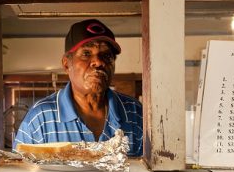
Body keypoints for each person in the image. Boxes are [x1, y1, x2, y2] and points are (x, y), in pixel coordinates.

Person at [13, 19, 143, 156]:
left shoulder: (135, 112)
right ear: (66, 64)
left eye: (106, 55)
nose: (98, 62)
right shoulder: (41, 117)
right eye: (86, 53)